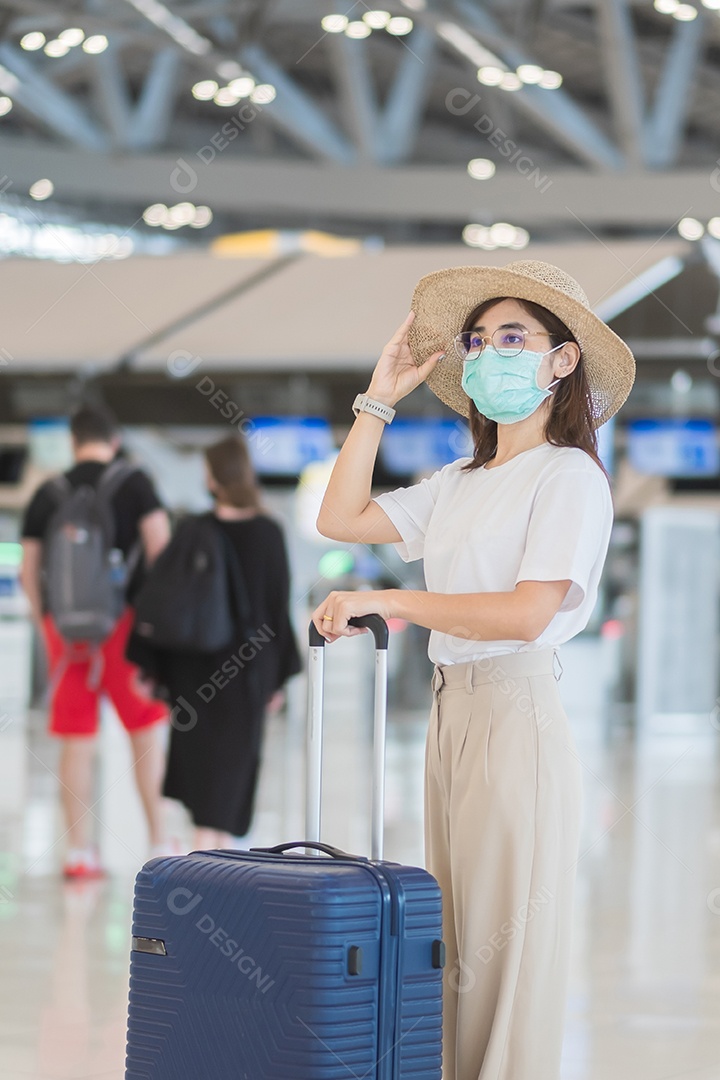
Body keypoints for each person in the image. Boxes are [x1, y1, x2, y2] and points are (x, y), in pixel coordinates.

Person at [312, 260, 635, 1080]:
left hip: (514, 714)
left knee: (503, 962)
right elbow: (339, 516)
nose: (489, 354)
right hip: (451, 714)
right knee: (453, 951)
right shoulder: (460, 483)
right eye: (479, 340)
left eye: (513, 338)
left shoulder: (567, 476)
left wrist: (393, 602)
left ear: (563, 359)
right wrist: (378, 398)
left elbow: (527, 614)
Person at [20, 404, 171, 878]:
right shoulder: (135, 483)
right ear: (114, 440)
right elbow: (161, 552)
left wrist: (46, 623)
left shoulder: (46, 493)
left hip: (65, 633)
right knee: (144, 736)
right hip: (124, 627)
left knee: (76, 740)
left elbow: (29, 571)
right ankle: (159, 842)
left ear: (73, 441)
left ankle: (78, 853)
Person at [131, 435, 301, 852]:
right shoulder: (268, 532)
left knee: (201, 769)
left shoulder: (192, 530)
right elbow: (277, 608)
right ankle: (215, 857)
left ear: (213, 478)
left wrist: (150, 666)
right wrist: (278, 677)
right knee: (233, 771)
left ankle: (206, 853)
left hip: (194, 670)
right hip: (247, 671)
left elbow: (163, 600)